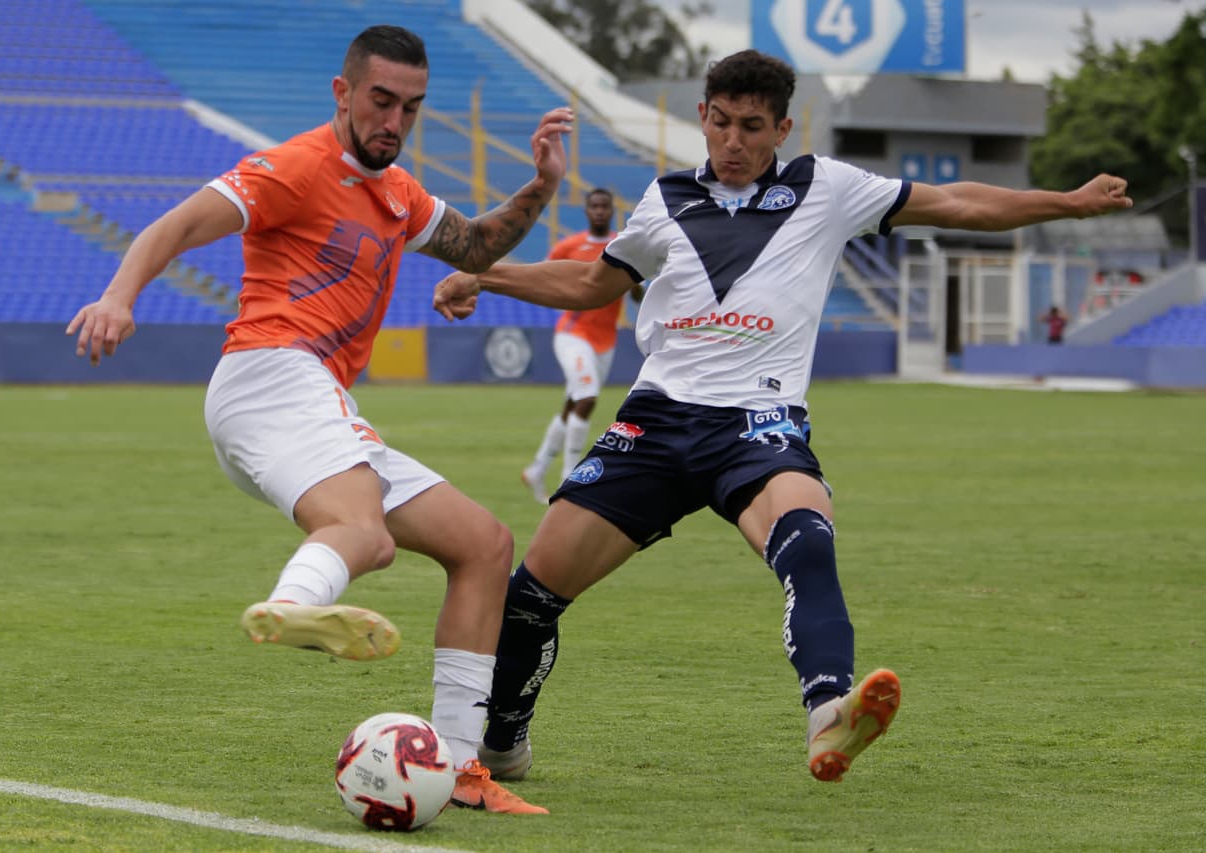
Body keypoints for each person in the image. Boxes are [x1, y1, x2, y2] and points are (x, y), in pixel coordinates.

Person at [433, 49, 1132, 784]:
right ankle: (503, 742)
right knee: (531, 596)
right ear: (703, 116)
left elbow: (956, 203)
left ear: (783, 129)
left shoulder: (826, 188)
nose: (734, 141)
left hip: (758, 423)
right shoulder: (664, 199)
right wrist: (487, 273)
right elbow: (588, 281)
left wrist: (1068, 201)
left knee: (807, 535)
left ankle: (829, 711)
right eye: (723, 123)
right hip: (656, 423)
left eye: (753, 127)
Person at [67, 25, 572, 815]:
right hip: (271, 375)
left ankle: (463, 768)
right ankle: (297, 602)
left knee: (483, 544)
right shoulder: (294, 167)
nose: (394, 122)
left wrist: (540, 185)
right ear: (343, 94)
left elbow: (475, 242)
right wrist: (118, 296)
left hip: (311, 397)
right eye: (380, 102)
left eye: (410, 107)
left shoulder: (399, 193)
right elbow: (174, 226)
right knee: (364, 535)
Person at [520, 187, 644, 504]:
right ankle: (568, 479)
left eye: (605, 206)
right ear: (587, 211)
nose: (600, 211)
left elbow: (637, 293)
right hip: (573, 334)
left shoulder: (623, 245)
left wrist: (635, 286)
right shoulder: (570, 246)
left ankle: (537, 468)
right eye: (595, 206)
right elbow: (542, 275)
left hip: (605, 339)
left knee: (573, 403)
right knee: (587, 397)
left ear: (612, 210)